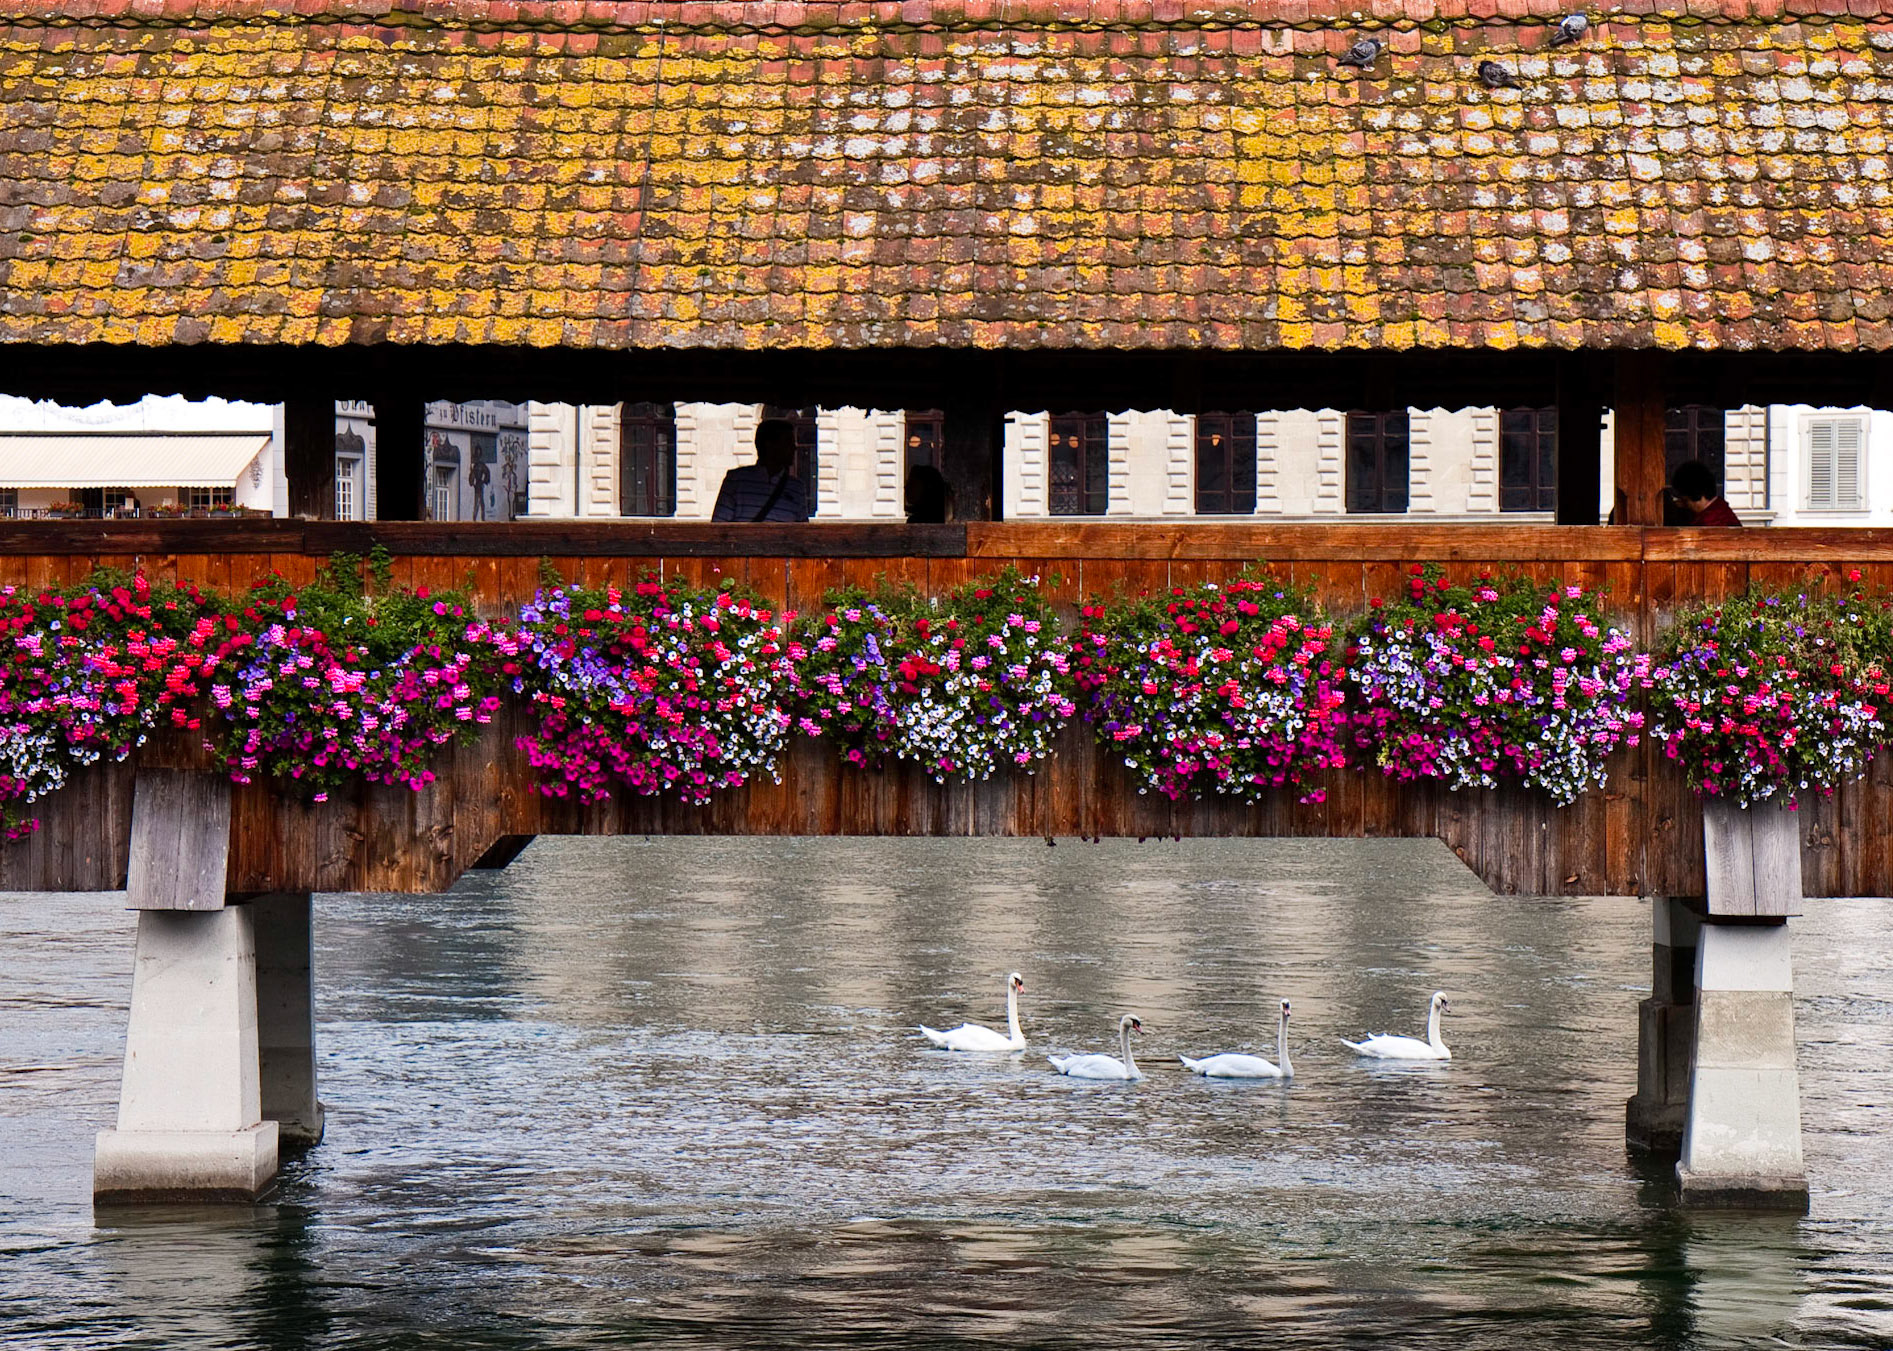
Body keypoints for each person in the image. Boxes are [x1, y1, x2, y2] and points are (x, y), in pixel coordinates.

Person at [711, 418, 810, 522]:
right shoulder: (735, 481)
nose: (794, 448)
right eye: (787, 442)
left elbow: (802, 530)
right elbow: (719, 527)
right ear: (770, 445)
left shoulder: (797, 488)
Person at [1668, 459, 1741, 527]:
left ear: (1696, 495)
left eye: (1685, 500)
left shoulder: (1709, 522)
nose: (1685, 505)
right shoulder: (1721, 509)